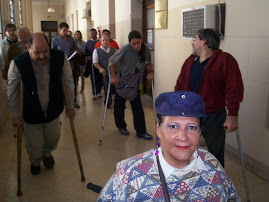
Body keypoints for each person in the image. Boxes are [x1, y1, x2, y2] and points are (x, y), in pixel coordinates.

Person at [98, 91, 240, 201]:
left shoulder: (212, 166)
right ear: (158, 129)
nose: (183, 137)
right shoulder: (129, 174)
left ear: (199, 131)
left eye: (191, 127)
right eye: (173, 126)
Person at [7, 33, 75, 175]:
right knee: (34, 144)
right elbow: (13, 91)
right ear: (27, 47)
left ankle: (47, 153)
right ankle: (35, 161)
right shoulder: (18, 63)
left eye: (46, 51)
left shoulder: (60, 58)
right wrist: (15, 115)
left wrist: (71, 106)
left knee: (53, 138)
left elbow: (68, 83)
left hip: (53, 109)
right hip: (31, 112)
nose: (43, 56)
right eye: (37, 52)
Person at [175, 28, 244, 167]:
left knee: (215, 154)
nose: (192, 43)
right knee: (187, 150)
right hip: (190, 115)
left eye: (195, 39)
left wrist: (232, 116)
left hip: (213, 116)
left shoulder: (225, 60)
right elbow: (179, 86)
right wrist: (176, 107)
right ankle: (192, 179)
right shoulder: (190, 61)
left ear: (204, 41)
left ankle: (216, 183)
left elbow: (234, 89)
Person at [109, 30, 153, 140]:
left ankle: (141, 132)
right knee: (119, 107)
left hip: (136, 83)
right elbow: (111, 62)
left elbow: (149, 63)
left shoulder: (146, 49)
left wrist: (151, 72)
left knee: (138, 109)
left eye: (138, 42)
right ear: (129, 43)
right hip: (123, 82)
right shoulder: (125, 49)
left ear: (142, 40)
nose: (136, 46)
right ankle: (121, 126)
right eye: (133, 43)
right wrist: (114, 77)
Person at [51, 22, 80, 108]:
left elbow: (76, 48)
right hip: (60, 64)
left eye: (67, 30)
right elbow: (53, 52)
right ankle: (63, 100)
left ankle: (74, 100)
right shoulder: (55, 40)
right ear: (59, 30)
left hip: (71, 64)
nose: (66, 32)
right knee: (61, 82)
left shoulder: (71, 39)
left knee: (72, 82)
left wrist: (75, 53)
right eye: (64, 30)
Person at [93, 35, 116, 107]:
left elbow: (118, 60)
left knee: (114, 88)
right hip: (104, 72)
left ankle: (117, 102)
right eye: (103, 40)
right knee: (107, 89)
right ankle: (108, 103)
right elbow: (95, 63)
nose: (105, 41)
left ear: (109, 41)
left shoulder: (114, 50)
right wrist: (100, 68)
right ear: (100, 42)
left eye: (106, 40)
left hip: (114, 72)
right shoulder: (97, 51)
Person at [84, 28, 102, 99]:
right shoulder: (88, 43)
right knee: (93, 78)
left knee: (100, 78)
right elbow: (84, 51)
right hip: (92, 63)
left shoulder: (100, 42)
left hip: (100, 63)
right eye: (92, 34)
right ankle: (94, 93)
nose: (93, 35)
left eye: (95, 33)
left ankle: (99, 91)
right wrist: (88, 56)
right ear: (89, 35)